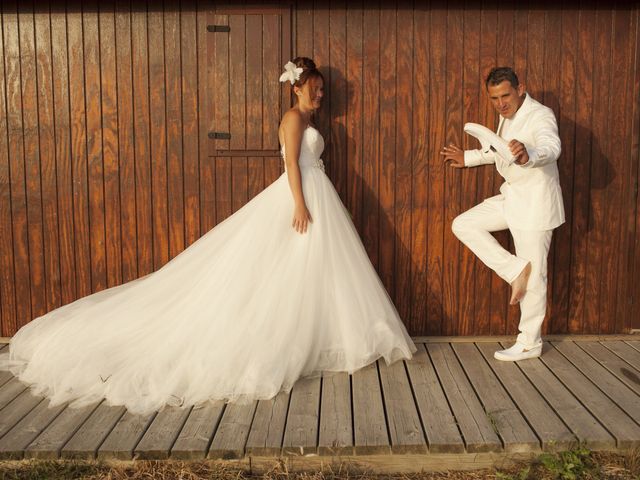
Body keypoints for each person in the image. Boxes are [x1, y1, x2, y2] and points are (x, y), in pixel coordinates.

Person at [0, 57, 416, 414]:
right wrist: (299, 203)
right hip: (301, 195)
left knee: (317, 269)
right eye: (315, 88)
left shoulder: (308, 120)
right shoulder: (292, 119)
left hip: (317, 192)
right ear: (297, 88)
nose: (321, 94)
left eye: (322, 89)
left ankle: (325, 337)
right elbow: (291, 163)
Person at [441, 67, 564, 361]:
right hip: (512, 198)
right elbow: (499, 149)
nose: (500, 104)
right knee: (464, 224)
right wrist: (468, 157)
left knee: (537, 278)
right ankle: (514, 269)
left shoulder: (540, 115)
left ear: (521, 88)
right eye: (494, 98)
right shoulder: (505, 115)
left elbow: (551, 146)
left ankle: (529, 343)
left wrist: (529, 154)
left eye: (505, 96)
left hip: (535, 205)